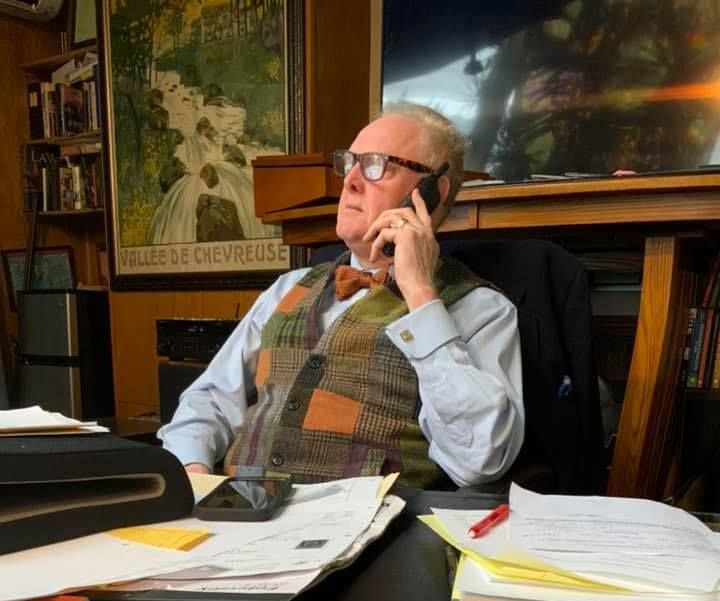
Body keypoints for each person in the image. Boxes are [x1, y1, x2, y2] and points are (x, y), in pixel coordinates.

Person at [158, 102, 524, 488]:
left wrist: (419, 294)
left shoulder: (481, 309)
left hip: (373, 532)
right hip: (240, 517)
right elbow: (211, 400)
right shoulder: (287, 288)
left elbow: (481, 460)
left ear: (432, 191)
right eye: (351, 162)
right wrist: (190, 471)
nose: (349, 180)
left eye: (377, 165)